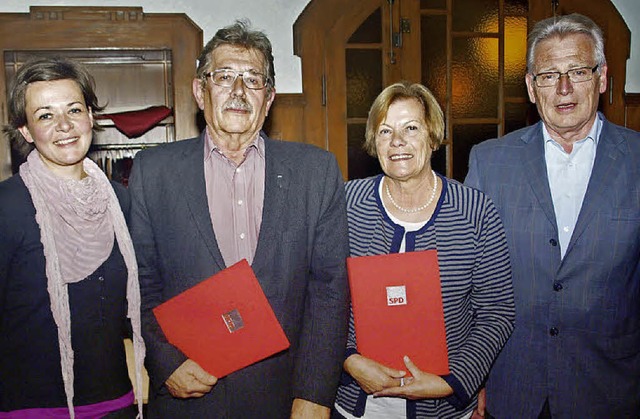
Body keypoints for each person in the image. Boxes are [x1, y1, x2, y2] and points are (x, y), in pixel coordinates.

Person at [128, 19, 349, 418]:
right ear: (200, 90)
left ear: (269, 98)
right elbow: (140, 283)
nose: (238, 90)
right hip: (189, 395)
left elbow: (330, 291)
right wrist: (165, 362)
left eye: (253, 79)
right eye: (224, 76)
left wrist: (315, 393)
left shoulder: (316, 172)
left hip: (286, 400)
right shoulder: (152, 172)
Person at [465, 13, 640, 418]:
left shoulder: (635, 159)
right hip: (511, 388)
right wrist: (470, 375)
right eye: (548, 75)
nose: (563, 88)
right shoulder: (490, 162)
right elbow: (469, 281)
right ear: (530, 86)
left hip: (611, 389)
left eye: (577, 71)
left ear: (601, 78)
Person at [333, 81, 515, 419]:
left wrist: (452, 381)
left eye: (411, 128)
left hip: (442, 407)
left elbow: (497, 311)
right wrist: (349, 359)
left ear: (432, 136)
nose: (397, 141)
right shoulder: (345, 202)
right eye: (385, 131)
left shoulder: (475, 210)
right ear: (374, 142)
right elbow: (322, 293)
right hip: (358, 405)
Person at [0, 57, 145, 418]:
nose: (63, 126)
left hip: (117, 401)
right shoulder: (6, 206)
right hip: (30, 408)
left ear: (91, 118)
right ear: (26, 131)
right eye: (45, 115)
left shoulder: (120, 201)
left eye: (74, 110)